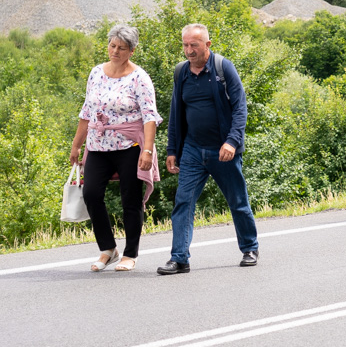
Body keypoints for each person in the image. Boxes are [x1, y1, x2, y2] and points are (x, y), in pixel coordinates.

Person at [157, 23, 259, 275]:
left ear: (208, 45)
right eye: (185, 45)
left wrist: (232, 142)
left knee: (237, 201)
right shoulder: (181, 72)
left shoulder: (224, 68)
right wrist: (172, 150)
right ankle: (179, 258)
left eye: (194, 45)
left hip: (222, 149)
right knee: (183, 202)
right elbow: (175, 114)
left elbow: (240, 108)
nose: (189, 50)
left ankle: (250, 247)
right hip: (192, 149)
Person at [69, 25, 162, 272]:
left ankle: (130, 254)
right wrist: (76, 145)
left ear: (131, 50)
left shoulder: (139, 78)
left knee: (130, 199)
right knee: (90, 194)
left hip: (129, 145)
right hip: (98, 144)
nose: (115, 51)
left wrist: (148, 151)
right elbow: (86, 111)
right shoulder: (96, 72)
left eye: (121, 48)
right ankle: (108, 249)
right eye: (112, 45)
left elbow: (149, 116)